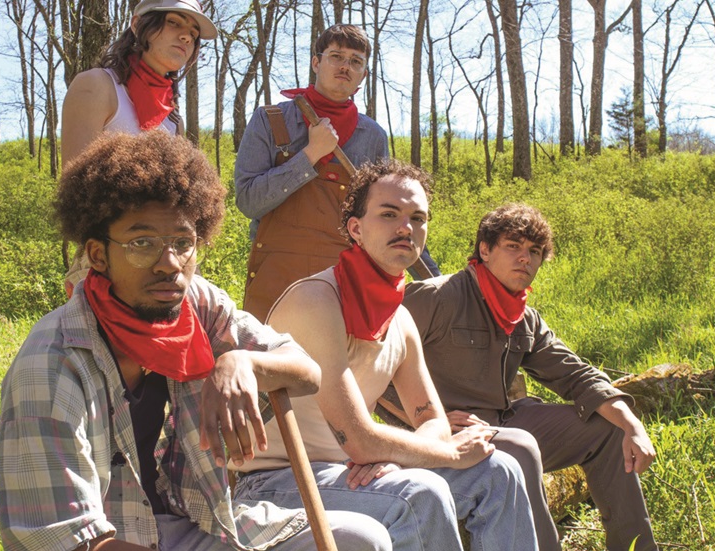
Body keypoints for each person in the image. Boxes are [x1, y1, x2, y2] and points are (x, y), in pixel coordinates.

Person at [0, 132, 392, 551]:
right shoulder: (53, 364)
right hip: (111, 539)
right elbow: (67, 540)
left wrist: (242, 362)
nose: (169, 264)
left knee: (362, 539)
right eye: (142, 243)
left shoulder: (194, 303)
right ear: (97, 255)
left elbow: (306, 372)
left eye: (183, 243)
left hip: (192, 521)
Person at [231, 159, 538, 551]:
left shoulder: (400, 319)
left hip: (349, 472)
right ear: (355, 229)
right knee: (419, 495)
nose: (405, 228)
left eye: (417, 218)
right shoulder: (316, 300)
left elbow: (432, 420)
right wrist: (442, 454)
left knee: (499, 470)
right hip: (279, 480)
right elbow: (359, 439)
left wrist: (403, 457)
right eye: (389, 214)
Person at [402, 203, 658, 551]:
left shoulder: (524, 317)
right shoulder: (435, 297)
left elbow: (576, 374)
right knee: (520, 449)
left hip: (502, 422)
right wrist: (428, 419)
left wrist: (632, 424)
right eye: (513, 246)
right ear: (485, 250)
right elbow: (369, 369)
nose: (525, 258)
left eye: (534, 251)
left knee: (608, 428)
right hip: (441, 437)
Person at [234, 24, 439, 320]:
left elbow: (392, 214)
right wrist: (310, 155)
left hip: (343, 285)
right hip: (275, 281)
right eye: (336, 56)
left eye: (356, 61)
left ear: (363, 76)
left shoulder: (373, 136)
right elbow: (248, 202)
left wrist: (436, 284)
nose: (345, 66)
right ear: (316, 63)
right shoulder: (270, 120)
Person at [60, 0, 217, 295]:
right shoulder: (96, 86)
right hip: (107, 261)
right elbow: (75, 194)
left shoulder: (172, 116)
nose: (186, 36)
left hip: (168, 260)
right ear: (137, 25)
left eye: (194, 33)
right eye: (174, 22)